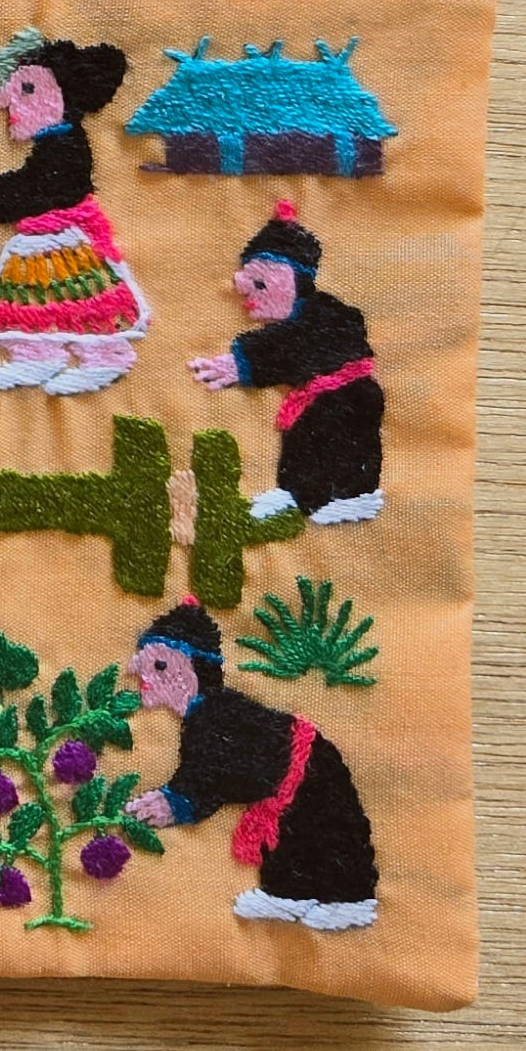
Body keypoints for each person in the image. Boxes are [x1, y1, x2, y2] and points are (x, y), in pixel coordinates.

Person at [0, 39, 147, 392]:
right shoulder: (54, 145)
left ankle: (106, 358)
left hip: (69, 247)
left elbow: (31, 190)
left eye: (28, 89)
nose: (5, 101)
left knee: (83, 303)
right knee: (32, 304)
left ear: (67, 97)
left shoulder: (65, 149)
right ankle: (37, 358)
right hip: (41, 244)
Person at [125, 601, 379, 931]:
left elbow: (214, 775)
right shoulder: (205, 715)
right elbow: (211, 776)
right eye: (142, 664)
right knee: (292, 838)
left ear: (194, 669)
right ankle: (289, 894)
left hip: (309, 765)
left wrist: (176, 802)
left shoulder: (214, 715)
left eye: (160, 665)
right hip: (293, 772)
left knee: (328, 832)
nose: (141, 675)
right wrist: (179, 800)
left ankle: (350, 899)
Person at [189, 203, 385, 526]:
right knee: (304, 441)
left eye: (261, 286)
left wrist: (242, 362)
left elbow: (296, 343)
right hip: (324, 396)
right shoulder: (305, 320)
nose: (250, 298)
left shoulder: (329, 316)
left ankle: (346, 496)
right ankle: (296, 494)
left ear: (295, 280)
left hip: (349, 398)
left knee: (337, 446)